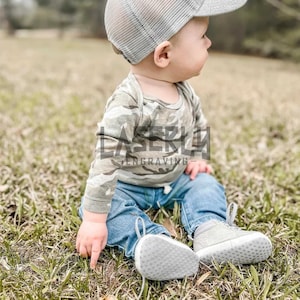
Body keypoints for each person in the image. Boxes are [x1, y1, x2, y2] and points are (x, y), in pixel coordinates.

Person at [76, 0, 272, 281]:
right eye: (202, 36)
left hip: (175, 178)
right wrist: (94, 220)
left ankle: (210, 229)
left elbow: (199, 125)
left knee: (204, 184)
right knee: (94, 208)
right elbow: (107, 158)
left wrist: (198, 157)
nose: (209, 42)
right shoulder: (128, 102)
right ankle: (149, 241)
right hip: (129, 185)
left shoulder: (185, 91)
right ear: (164, 54)